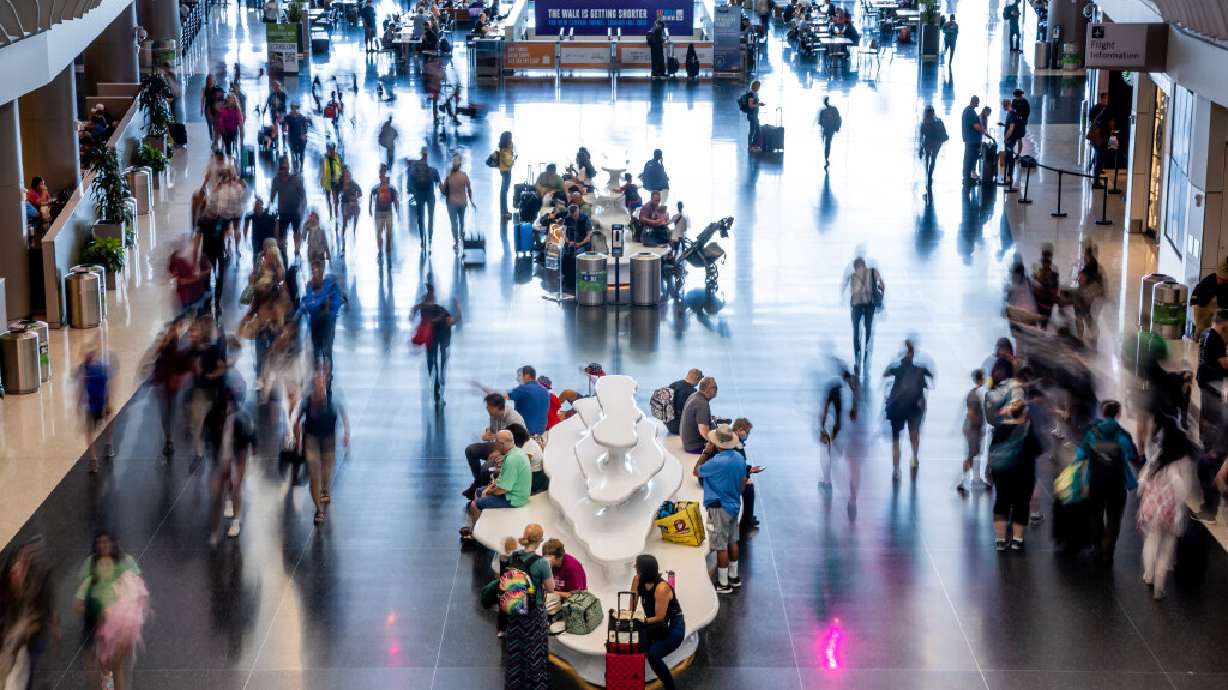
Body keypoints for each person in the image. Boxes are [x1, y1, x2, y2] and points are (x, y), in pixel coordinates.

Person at [1138, 415, 1203, 599]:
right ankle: (1159, 584)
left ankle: (1148, 575)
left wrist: (1144, 493)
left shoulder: (1159, 457)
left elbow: (1142, 479)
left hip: (1152, 507)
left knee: (1151, 540)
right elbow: (1185, 489)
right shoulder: (1185, 462)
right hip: (1171, 510)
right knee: (1167, 546)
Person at [74, 532, 143, 690]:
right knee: (105, 668)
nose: (103, 546)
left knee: (115, 666)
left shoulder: (126, 562)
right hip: (97, 624)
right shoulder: (90, 567)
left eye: (106, 542)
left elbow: (139, 587)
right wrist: (94, 612)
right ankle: (108, 685)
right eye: (99, 542)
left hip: (121, 625)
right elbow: (79, 602)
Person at [1073, 400, 1140, 564]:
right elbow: (1133, 456)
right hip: (1117, 483)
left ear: (1103, 414)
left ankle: (1097, 548)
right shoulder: (1123, 435)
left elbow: (1079, 456)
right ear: (1118, 414)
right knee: (1114, 517)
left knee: (1095, 516)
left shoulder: (1092, 433)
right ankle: (1107, 552)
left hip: (1096, 481)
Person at [292, 367, 350, 525]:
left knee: (326, 472)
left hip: (329, 439)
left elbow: (344, 414)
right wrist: (298, 442)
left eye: (322, 381)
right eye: (317, 382)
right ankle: (318, 509)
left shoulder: (334, 397)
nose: (320, 385)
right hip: (312, 439)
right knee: (313, 473)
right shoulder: (307, 400)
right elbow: (297, 420)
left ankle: (325, 488)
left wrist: (346, 434)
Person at [694, 424, 747, 594]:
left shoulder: (716, 462)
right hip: (734, 504)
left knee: (720, 545)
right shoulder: (739, 458)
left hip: (719, 507)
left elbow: (696, 471)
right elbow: (743, 484)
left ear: (717, 443)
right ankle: (734, 577)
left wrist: (706, 452)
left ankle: (723, 584)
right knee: (733, 541)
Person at [501, 524, 553, 690]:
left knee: (515, 649)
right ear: (539, 541)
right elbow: (550, 588)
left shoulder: (513, 557)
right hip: (533, 613)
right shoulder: (541, 563)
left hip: (515, 608)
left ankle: (515, 684)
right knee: (534, 651)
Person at [990, 400, 1045, 551]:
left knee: (1001, 503)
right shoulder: (1028, 431)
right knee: (1021, 505)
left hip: (1002, 473)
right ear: (1024, 413)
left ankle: (1000, 540)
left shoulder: (1000, 429)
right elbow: (1038, 450)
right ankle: (1017, 540)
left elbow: (992, 450)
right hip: (1023, 474)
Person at [206, 385, 256, 544]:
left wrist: (252, 450)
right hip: (222, 456)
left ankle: (236, 520)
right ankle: (215, 531)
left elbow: (251, 435)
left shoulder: (242, 418)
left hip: (238, 455)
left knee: (236, 487)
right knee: (216, 493)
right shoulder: (214, 416)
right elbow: (208, 434)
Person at [629, 554, 685, 690]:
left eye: (638, 566)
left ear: (644, 570)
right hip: (654, 624)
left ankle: (670, 686)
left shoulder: (662, 588)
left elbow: (660, 617)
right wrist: (630, 617)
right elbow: (632, 606)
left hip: (672, 625)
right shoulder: (637, 580)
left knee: (653, 654)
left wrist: (640, 621)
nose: (635, 568)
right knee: (632, 640)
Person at [883, 340, 933, 479]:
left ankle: (896, 469)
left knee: (896, 440)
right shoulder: (920, 369)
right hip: (913, 409)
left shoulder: (898, 367)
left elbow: (886, 372)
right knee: (913, 435)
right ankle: (914, 457)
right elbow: (930, 380)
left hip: (898, 408)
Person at [465, 429, 531, 522]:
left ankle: (476, 530)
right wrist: (489, 488)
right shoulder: (517, 452)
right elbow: (502, 481)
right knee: (479, 491)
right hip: (514, 492)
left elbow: (502, 489)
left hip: (514, 499)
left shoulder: (512, 460)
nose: (494, 445)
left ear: (501, 444)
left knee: (476, 504)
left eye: (496, 442)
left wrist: (488, 492)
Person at [463, 394, 526, 488]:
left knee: (486, 469)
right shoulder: (494, 415)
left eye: (489, 407)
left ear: (496, 407)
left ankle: (485, 490)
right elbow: (492, 431)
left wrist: (501, 454)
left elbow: (519, 445)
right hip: (498, 446)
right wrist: (486, 434)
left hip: (510, 451)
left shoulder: (514, 419)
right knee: (470, 450)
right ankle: (478, 482)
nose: (487, 408)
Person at [410, 283, 457, 403]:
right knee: (436, 356)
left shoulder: (428, 307)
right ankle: (438, 371)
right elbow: (451, 319)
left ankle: (435, 370)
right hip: (435, 337)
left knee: (432, 356)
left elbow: (416, 310)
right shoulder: (437, 308)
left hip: (432, 337)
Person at [300, 260, 344, 363]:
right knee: (316, 349)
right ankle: (317, 369)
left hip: (327, 322)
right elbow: (306, 302)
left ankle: (327, 372)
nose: (314, 277)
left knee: (326, 349)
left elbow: (335, 303)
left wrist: (327, 307)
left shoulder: (330, 287)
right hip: (315, 323)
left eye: (317, 273)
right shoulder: (310, 286)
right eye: (313, 273)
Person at [844, 257, 883, 369]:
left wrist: (851, 313)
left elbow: (852, 293)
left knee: (856, 331)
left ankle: (857, 355)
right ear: (864, 264)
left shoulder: (853, 276)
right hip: (869, 304)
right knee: (868, 329)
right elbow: (881, 284)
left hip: (857, 305)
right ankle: (867, 354)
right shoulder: (872, 271)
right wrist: (881, 294)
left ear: (855, 266)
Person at [1197, 309, 1228, 452]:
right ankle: (1208, 446)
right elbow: (1224, 364)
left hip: (1202, 376)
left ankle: (1203, 439)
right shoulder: (1217, 339)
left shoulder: (1205, 333)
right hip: (1212, 380)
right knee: (1213, 413)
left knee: (1205, 410)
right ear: (1224, 322)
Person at [78, 348, 113, 473]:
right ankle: (109, 444)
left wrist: (78, 406)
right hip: (102, 404)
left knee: (89, 432)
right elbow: (107, 387)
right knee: (108, 422)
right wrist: (108, 402)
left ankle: (93, 459)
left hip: (92, 406)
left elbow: (82, 390)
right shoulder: (101, 369)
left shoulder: (86, 373)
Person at [956, 369, 988, 496]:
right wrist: (978, 426)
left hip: (974, 429)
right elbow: (971, 413)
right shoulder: (975, 394)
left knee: (975, 454)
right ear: (981, 378)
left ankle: (975, 479)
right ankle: (964, 483)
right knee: (971, 455)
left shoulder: (976, 393)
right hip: (973, 429)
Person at [269, 157, 307, 255]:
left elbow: (303, 195)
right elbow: (272, 196)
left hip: (295, 211)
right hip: (283, 212)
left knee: (296, 231)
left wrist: (302, 207)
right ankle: (282, 250)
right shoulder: (276, 180)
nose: (284, 169)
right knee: (282, 233)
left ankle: (297, 250)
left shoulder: (296, 179)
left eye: (286, 167)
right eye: (282, 167)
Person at [503, 366, 551, 436]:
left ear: (527, 376)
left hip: (525, 433)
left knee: (499, 413)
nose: (517, 379)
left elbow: (504, 396)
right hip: (541, 432)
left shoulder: (524, 388)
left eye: (519, 375)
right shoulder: (545, 391)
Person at [441, 155, 475, 251]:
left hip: (452, 203)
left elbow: (443, 191)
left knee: (453, 223)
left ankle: (456, 240)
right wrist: (471, 202)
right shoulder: (464, 176)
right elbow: (469, 189)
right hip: (462, 202)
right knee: (461, 220)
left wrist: (440, 187)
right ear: (460, 165)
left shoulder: (449, 177)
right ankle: (461, 234)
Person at [407, 148, 440, 244]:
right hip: (430, 195)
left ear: (421, 154)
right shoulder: (432, 169)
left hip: (419, 195)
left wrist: (410, 190)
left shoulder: (415, 168)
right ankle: (430, 237)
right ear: (427, 155)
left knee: (421, 217)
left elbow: (410, 181)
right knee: (430, 217)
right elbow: (438, 182)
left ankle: (422, 238)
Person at [1190, 258, 1228, 337]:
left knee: (1221, 330)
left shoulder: (1225, 285)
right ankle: (1199, 337)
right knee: (1202, 328)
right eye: (1221, 279)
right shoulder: (1209, 281)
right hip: (1203, 306)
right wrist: (1193, 302)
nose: (1222, 282)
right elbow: (1197, 291)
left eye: (1225, 280)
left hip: (1220, 308)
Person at [679, 376, 718, 453]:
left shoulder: (693, 396)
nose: (717, 390)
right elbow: (703, 431)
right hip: (695, 446)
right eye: (715, 387)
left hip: (687, 442)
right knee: (728, 448)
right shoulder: (702, 403)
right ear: (709, 389)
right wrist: (716, 443)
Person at [368, 172, 400, 257]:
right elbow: (396, 199)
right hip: (384, 213)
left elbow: (396, 199)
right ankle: (383, 249)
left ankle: (383, 248)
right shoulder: (389, 188)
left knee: (382, 232)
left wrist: (370, 208)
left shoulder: (388, 188)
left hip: (382, 213)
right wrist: (397, 208)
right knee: (382, 232)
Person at [242, 197, 279, 269]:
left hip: (268, 238)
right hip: (256, 238)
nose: (257, 207)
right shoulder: (251, 214)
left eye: (259, 205)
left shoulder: (269, 214)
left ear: (262, 206)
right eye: (256, 205)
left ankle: (269, 271)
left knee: (269, 256)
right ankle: (256, 271)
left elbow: (276, 223)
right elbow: (246, 224)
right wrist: (245, 237)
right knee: (256, 256)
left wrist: (276, 237)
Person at [918, 105, 948, 194]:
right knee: (933, 158)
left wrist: (921, 148)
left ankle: (928, 172)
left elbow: (921, 137)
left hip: (927, 143)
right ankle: (930, 172)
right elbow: (943, 133)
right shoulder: (938, 121)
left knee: (927, 157)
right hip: (936, 143)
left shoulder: (924, 122)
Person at [666, 369, 703, 435]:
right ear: (697, 379)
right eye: (699, 380)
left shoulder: (674, 385)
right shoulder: (692, 392)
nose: (698, 383)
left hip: (669, 426)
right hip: (680, 428)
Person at [1088, 92, 1111, 187]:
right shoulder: (1102, 109)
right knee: (1100, 156)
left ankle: (1094, 163)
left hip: (1097, 137)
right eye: (1106, 98)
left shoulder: (1095, 108)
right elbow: (1097, 122)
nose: (1107, 100)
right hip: (1099, 137)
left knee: (1100, 155)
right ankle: (1096, 181)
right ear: (1102, 98)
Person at [337, 168, 362, 255]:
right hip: (345, 204)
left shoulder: (353, 184)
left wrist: (355, 197)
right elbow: (337, 192)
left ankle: (354, 232)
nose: (347, 177)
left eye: (348, 175)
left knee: (355, 217)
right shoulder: (341, 184)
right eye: (345, 175)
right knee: (345, 220)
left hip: (353, 204)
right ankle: (343, 236)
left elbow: (360, 192)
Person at [961, 95, 985, 185]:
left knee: (968, 158)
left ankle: (967, 176)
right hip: (972, 140)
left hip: (969, 139)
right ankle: (969, 177)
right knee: (971, 158)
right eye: (977, 102)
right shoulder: (971, 112)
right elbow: (976, 126)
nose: (978, 104)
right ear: (973, 101)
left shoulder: (966, 110)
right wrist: (984, 131)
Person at [320, 142, 344, 220]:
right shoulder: (325, 158)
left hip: (336, 180)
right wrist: (321, 179)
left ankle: (336, 214)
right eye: (329, 149)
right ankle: (331, 215)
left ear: (334, 149)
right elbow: (322, 169)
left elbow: (341, 167)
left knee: (336, 199)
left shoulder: (338, 157)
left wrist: (341, 177)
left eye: (331, 149)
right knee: (328, 199)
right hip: (327, 180)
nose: (330, 151)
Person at [283, 103, 310, 171]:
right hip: (292, 137)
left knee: (302, 148)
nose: (294, 111)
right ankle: (294, 160)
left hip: (300, 137)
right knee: (292, 149)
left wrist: (304, 134)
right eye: (293, 109)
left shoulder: (302, 118)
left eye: (295, 109)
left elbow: (305, 127)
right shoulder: (288, 117)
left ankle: (301, 163)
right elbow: (283, 123)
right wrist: (285, 127)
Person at [818, 97, 841, 169]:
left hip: (828, 130)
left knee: (827, 144)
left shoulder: (825, 111)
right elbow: (838, 118)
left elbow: (821, 122)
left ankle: (827, 158)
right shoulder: (831, 110)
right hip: (829, 130)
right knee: (827, 144)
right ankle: (827, 158)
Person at [497, 131, 516, 220]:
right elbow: (508, 161)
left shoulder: (503, 146)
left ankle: (504, 211)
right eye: (510, 138)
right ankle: (503, 212)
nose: (511, 140)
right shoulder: (505, 149)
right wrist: (513, 159)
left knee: (504, 191)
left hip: (504, 170)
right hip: (506, 171)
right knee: (504, 192)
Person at [741, 80, 763, 151]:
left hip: (755, 115)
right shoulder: (751, 94)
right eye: (758, 86)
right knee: (753, 130)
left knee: (757, 130)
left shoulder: (755, 93)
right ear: (756, 86)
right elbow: (750, 105)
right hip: (752, 115)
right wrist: (759, 104)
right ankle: (750, 146)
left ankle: (753, 145)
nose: (759, 88)